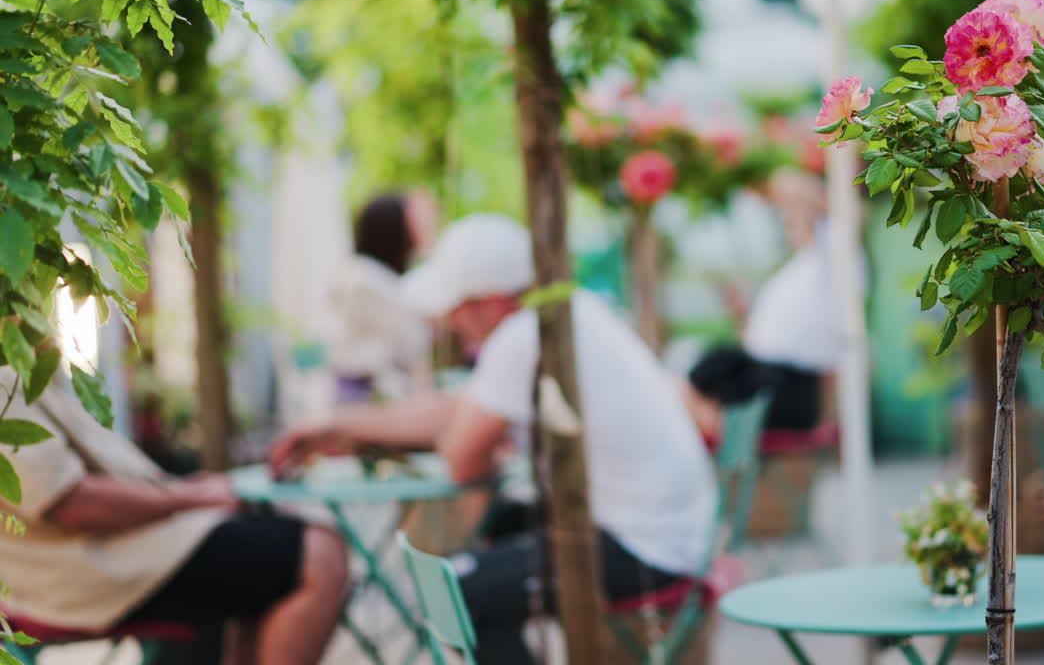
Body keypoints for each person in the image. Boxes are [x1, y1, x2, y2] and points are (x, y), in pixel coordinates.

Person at [270, 214, 717, 665]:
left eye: (458, 306)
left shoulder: (524, 337)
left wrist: (462, 434)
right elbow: (463, 410)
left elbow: (462, 460)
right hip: (671, 536)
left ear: (493, 301)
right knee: (500, 529)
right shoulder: (564, 313)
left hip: (646, 549)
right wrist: (342, 425)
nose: (451, 319)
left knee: (459, 592)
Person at [0, 369, 348, 665]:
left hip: (81, 557)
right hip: (72, 570)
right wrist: (192, 496)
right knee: (318, 554)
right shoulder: (8, 366)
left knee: (271, 546)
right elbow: (71, 502)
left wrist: (188, 493)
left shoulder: (21, 349)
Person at [683, 169, 846, 439]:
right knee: (701, 371)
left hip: (791, 382)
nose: (787, 219)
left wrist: (794, 193)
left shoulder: (830, 255)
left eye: (792, 215)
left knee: (710, 371)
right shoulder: (800, 265)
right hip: (770, 372)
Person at [330, 192, 437, 404]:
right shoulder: (367, 280)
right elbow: (413, 340)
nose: (419, 229)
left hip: (372, 391)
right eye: (413, 222)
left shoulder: (371, 276)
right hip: (370, 395)